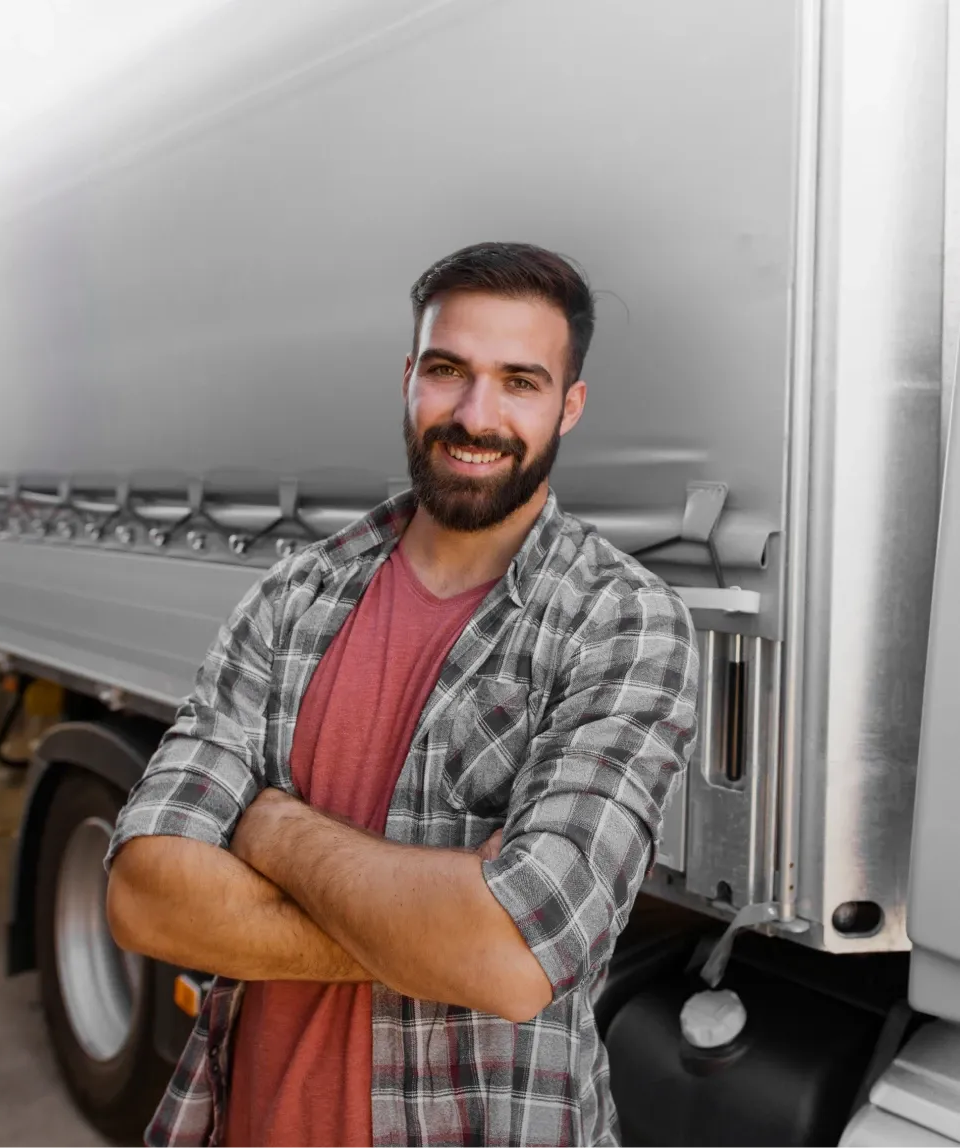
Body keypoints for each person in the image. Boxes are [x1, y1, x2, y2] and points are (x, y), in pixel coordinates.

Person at [105, 241, 700, 1148]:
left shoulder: (620, 621)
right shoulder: (293, 599)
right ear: (409, 376)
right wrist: (442, 928)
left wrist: (272, 828)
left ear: (569, 407)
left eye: (520, 382)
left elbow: (509, 958)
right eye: (449, 369)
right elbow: (145, 897)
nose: (475, 414)